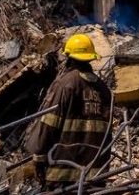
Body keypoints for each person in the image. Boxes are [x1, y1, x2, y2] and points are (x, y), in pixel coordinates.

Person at [25, 33, 113, 188]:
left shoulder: (66, 84)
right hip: (95, 176)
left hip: (63, 175)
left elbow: (48, 124)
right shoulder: (104, 90)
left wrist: (38, 155)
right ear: (90, 58)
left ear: (69, 58)